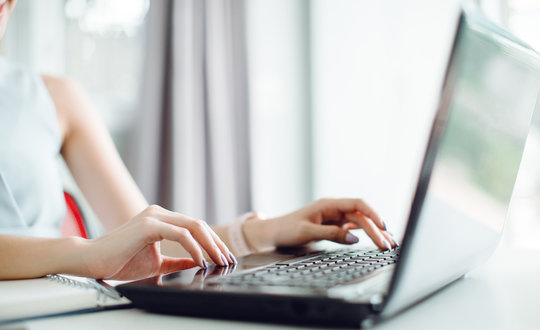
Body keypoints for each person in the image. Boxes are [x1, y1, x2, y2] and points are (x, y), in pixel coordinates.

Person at [0, 0, 396, 281]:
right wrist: (82, 255)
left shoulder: (56, 98)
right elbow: (99, 256)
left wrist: (266, 231)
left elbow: (149, 245)